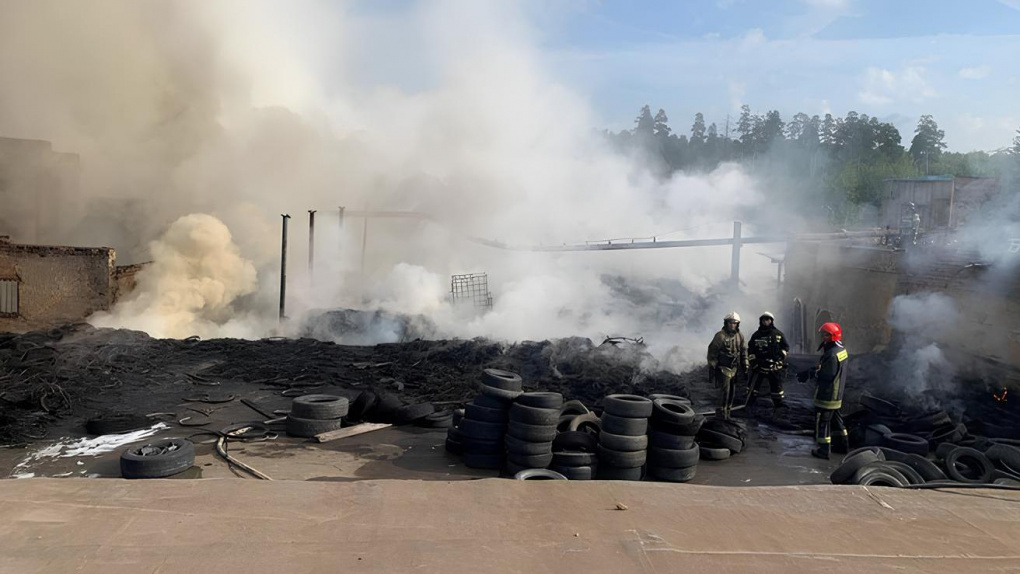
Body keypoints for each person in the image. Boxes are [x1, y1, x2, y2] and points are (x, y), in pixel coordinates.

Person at [798, 322, 849, 459]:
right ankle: (842, 445)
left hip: (828, 394)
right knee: (837, 420)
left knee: (823, 421)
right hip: (838, 392)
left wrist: (811, 373)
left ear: (832, 336)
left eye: (825, 335)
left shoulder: (832, 354)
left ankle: (823, 450)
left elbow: (827, 375)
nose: (823, 337)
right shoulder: (841, 349)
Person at [746, 312, 790, 414]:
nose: (766, 322)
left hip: (774, 367)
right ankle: (749, 404)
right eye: (764, 320)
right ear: (761, 321)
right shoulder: (756, 335)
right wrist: (754, 363)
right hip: (759, 366)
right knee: (752, 387)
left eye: (768, 320)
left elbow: (785, 347)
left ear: (771, 321)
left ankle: (778, 406)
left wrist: (780, 357)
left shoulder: (778, 334)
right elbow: (751, 350)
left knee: (777, 388)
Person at [707, 312, 748, 420]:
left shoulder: (740, 336)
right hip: (722, 368)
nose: (732, 325)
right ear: (726, 323)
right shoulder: (720, 336)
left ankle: (728, 413)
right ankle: (721, 414)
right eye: (730, 323)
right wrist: (713, 366)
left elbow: (744, 352)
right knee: (725, 392)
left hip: (734, 368)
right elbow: (712, 353)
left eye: (735, 323)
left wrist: (745, 365)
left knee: (732, 392)